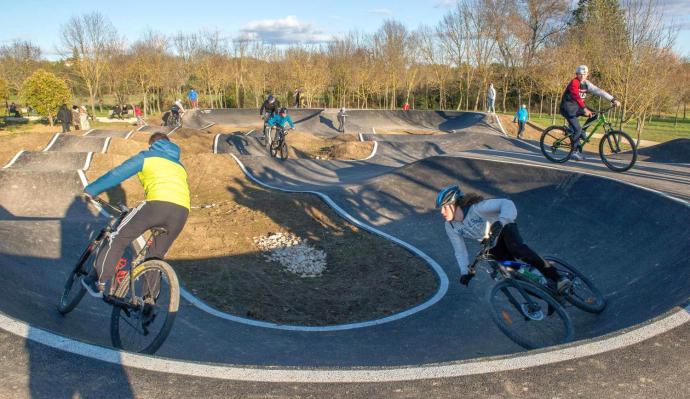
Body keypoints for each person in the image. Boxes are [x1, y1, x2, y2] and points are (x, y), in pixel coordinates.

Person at [81, 132, 190, 298]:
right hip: (182, 212)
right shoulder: (179, 166)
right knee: (156, 255)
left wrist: (91, 190)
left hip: (156, 205)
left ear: (152, 145)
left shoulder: (147, 157)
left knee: (119, 237)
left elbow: (117, 174)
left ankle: (98, 280)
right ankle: (148, 302)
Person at [436, 184, 572, 293]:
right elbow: (459, 250)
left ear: (455, 204)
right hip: (491, 243)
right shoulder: (450, 227)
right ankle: (548, 291)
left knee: (518, 249)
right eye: (440, 209)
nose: (442, 212)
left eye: (444, 208)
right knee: (513, 273)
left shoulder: (478, 208)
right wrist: (465, 272)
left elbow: (507, 204)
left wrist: (501, 221)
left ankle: (557, 277)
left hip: (504, 228)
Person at [560, 65, 621, 161]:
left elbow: (599, 91)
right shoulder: (574, 83)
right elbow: (576, 96)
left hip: (577, 107)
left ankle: (582, 131)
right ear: (577, 74)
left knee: (595, 114)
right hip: (567, 108)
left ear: (587, 74)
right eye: (580, 74)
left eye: (584, 74)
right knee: (577, 129)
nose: (582, 76)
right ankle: (574, 152)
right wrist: (584, 109)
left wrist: (613, 100)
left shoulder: (586, 84)